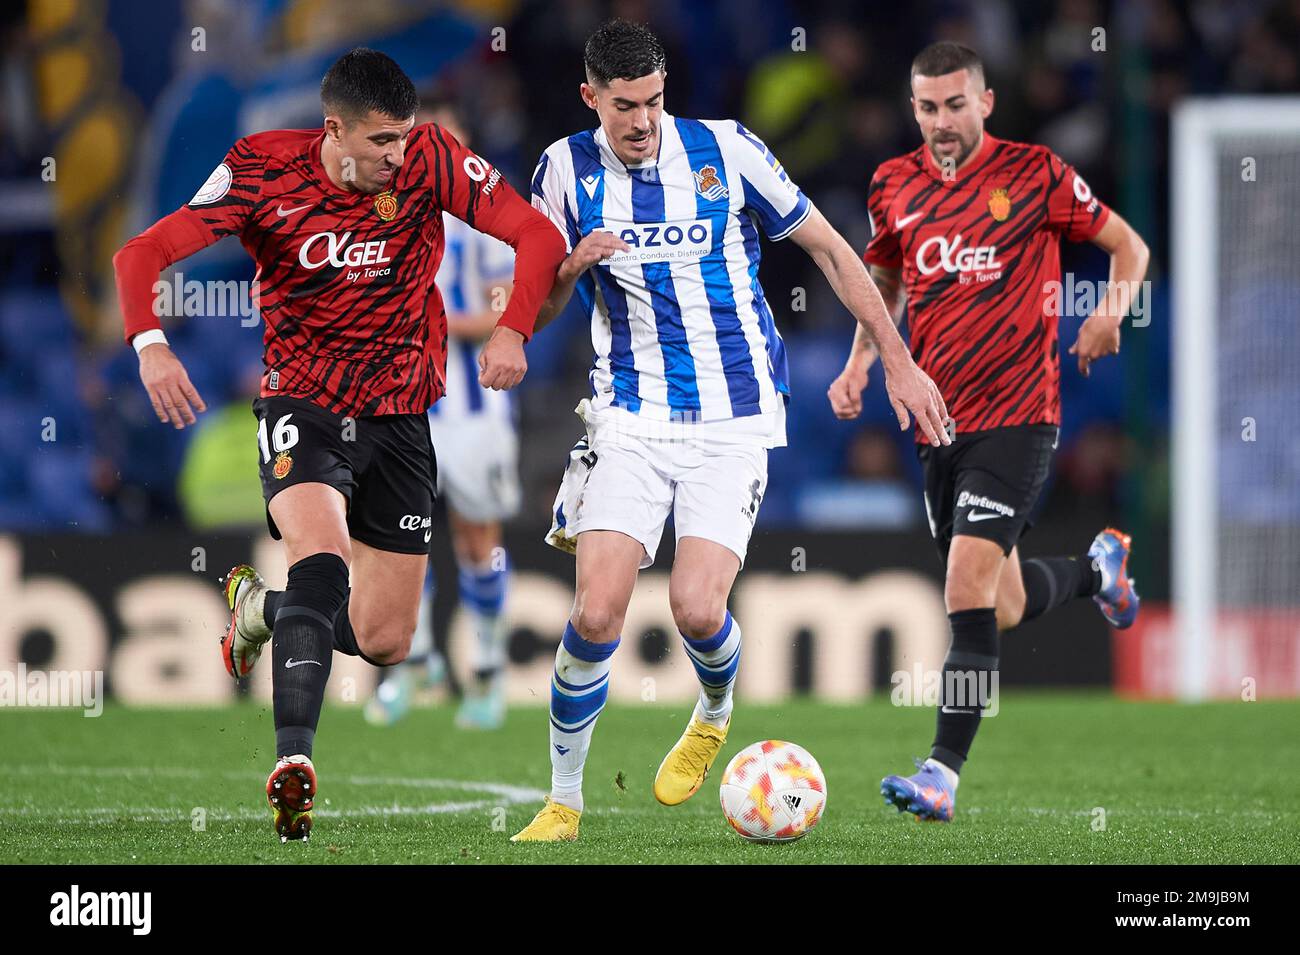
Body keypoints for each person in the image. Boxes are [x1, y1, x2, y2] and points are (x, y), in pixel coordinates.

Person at [510, 19, 948, 843]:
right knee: (598, 610)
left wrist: (896, 359)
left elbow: (830, 248)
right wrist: (569, 266)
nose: (641, 122)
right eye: (623, 106)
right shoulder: (562, 170)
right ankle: (564, 800)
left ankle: (714, 708)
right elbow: (532, 309)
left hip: (735, 415)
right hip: (629, 413)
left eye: (653, 102)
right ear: (589, 97)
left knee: (694, 605)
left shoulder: (728, 150)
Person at [112, 48, 565, 842]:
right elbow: (140, 253)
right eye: (383, 142)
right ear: (335, 131)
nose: (399, 155)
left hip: (399, 417)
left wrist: (514, 329)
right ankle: (295, 763)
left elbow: (532, 233)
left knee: (387, 639)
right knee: (320, 562)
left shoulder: (431, 158)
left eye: (405, 138)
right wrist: (151, 344)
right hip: (304, 403)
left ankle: (260, 609)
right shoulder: (259, 171)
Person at [826, 42, 1150, 822]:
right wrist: (860, 360)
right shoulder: (891, 184)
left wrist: (1108, 312)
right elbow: (888, 281)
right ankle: (1097, 573)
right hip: (938, 424)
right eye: (928, 108)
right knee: (999, 603)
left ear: (986, 102)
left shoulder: (1035, 174)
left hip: (1020, 414)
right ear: (914, 109)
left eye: (956, 105)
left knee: (964, 588)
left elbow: (1127, 246)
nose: (942, 122)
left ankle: (942, 770)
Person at [364, 97, 522, 731]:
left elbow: (513, 310)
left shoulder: (488, 220)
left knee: (477, 540)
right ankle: (415, 665)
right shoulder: (382, 215)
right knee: (398, 537)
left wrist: (433, 320)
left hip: (474, 407)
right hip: (403, 400)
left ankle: (487, 672)